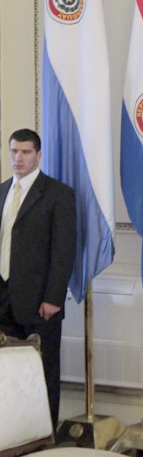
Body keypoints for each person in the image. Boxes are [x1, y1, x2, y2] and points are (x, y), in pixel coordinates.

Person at [0, 129, 76, 428]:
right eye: (14, 152)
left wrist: (54, 298)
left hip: (40, 302)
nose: (18, 158)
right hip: (4, 297)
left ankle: (45, 438)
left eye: (26, 152)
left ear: (38, 155)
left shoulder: (57, 194)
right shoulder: (3, 191)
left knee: (43, 371)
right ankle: (11, 436)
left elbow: (64, 250)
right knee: (8, 372)